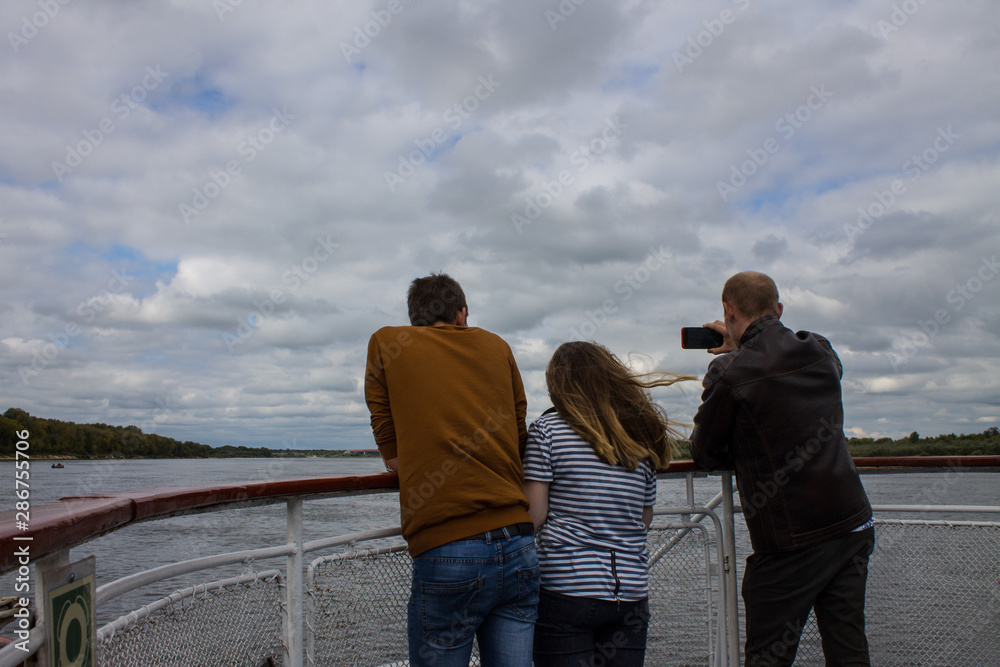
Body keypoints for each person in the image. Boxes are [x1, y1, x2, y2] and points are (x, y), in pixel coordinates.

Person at [690, 271, 875, 666]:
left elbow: (704, 453)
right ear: (779, 309)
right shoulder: (821, 350)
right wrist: (741, 339)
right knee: (848, 648)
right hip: (853, 524)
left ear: (728, 310)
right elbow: (821, 371)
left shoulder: (730, 371)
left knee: (768, 657)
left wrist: (732, 350)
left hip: (791, 542)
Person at [364, 273, 539, 667]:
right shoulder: (497, 345)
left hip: (447, 549)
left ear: (415, 318)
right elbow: (518, 426)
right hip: (518, 540)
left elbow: (382, 418)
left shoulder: (388, 341)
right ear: (462, 313)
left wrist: (394, 454)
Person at [522, 341, 693, 667]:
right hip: (629, 594)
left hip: (565, 590)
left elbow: (535, 516)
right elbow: (644, 517)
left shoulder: (547, 431)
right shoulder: (637, 436)